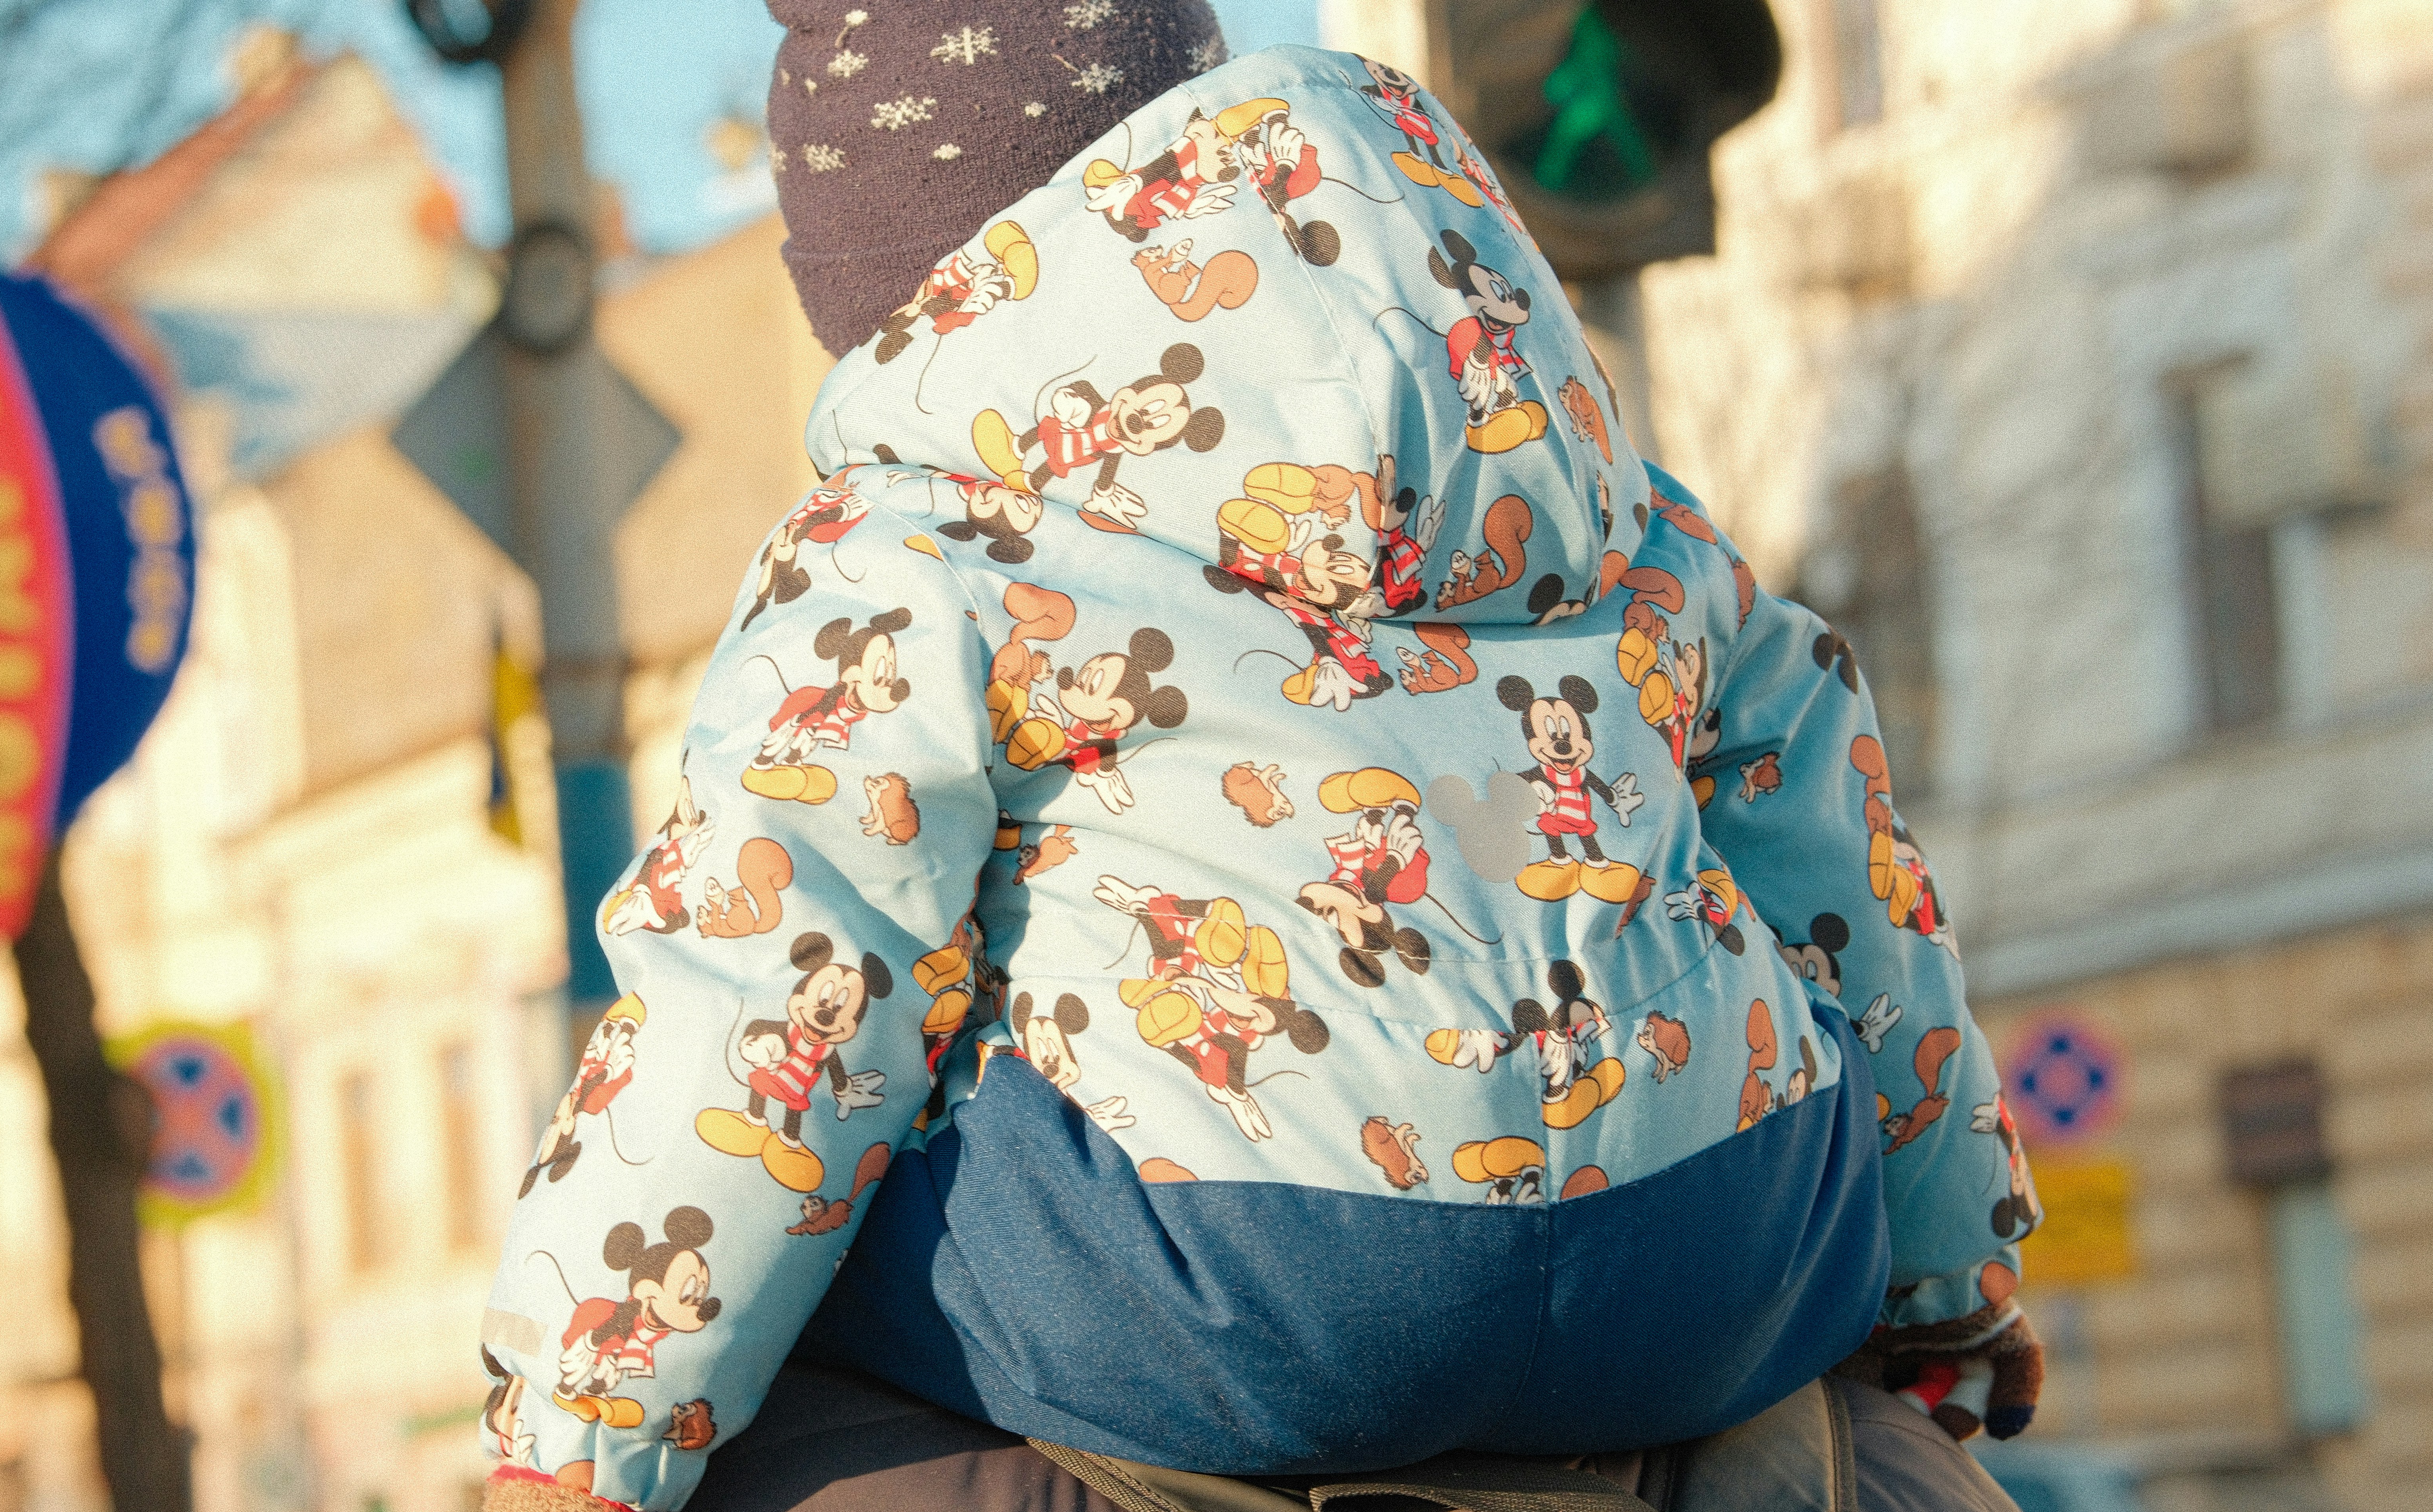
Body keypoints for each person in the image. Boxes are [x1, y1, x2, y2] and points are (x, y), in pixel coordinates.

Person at [479, 5, 2042, 1509]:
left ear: (903, 295)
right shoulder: (1609, 499)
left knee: (815, 1162)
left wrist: (579, 1438)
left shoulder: (909, 546)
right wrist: (1949, 1274)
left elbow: (770, 977)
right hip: (1725, 1240)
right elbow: (1837, 862)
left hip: (1258, 1284)